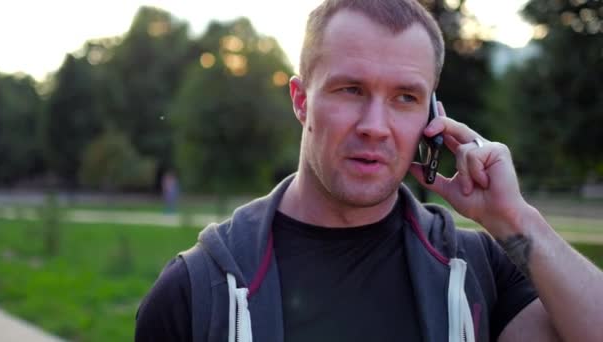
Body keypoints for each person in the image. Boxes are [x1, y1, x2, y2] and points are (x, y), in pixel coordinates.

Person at [135, 0, 603, 341]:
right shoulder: (198, 294)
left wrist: (515, 219)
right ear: (301, 101)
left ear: (432, 115)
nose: (376, 127)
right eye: (351, 90)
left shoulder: (479, 275)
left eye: (405, 97)